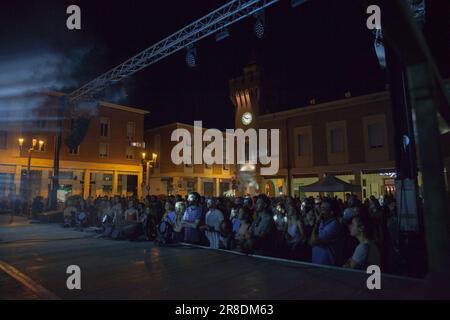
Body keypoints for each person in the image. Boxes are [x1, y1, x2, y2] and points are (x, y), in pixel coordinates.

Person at [310, 198, 345, 266]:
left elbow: (313, 241)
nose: (320, 211)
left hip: (327, 265)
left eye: (323, 208)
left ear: (331, 212)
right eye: (321, 207)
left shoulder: (334, 225)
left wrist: (317, 222)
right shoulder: (323, 221)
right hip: (317, 262)